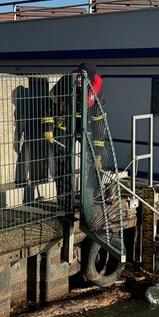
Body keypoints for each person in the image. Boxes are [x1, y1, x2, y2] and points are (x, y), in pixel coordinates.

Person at [42, 61, 107, 211]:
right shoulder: (65, 82)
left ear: (90, 79)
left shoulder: (96, 92)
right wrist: (48, 128)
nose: (78, 79)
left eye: (82, 76)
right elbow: (49, 105)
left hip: (87, 128)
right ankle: (64, 205)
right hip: (64, 127)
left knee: (94, 165)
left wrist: (97, 154)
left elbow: (99, 123)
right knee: (63, 165)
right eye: (78, 74)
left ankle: (93, 201)